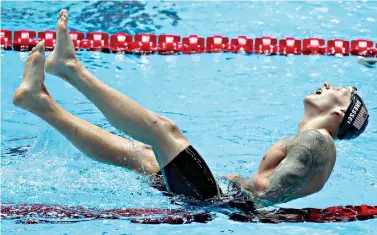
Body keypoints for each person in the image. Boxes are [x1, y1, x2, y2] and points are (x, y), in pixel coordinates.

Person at [13, 9, 369, 208]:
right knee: (140, 153)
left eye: (337, 90)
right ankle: (39, 103)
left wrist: (236, 187)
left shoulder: (317, 142)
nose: (326, 85)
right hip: (219, 199)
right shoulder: (317, 143)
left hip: (218, 203)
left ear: (339, 114)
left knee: (164, 132)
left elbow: (268, 193)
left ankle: (71, 69)